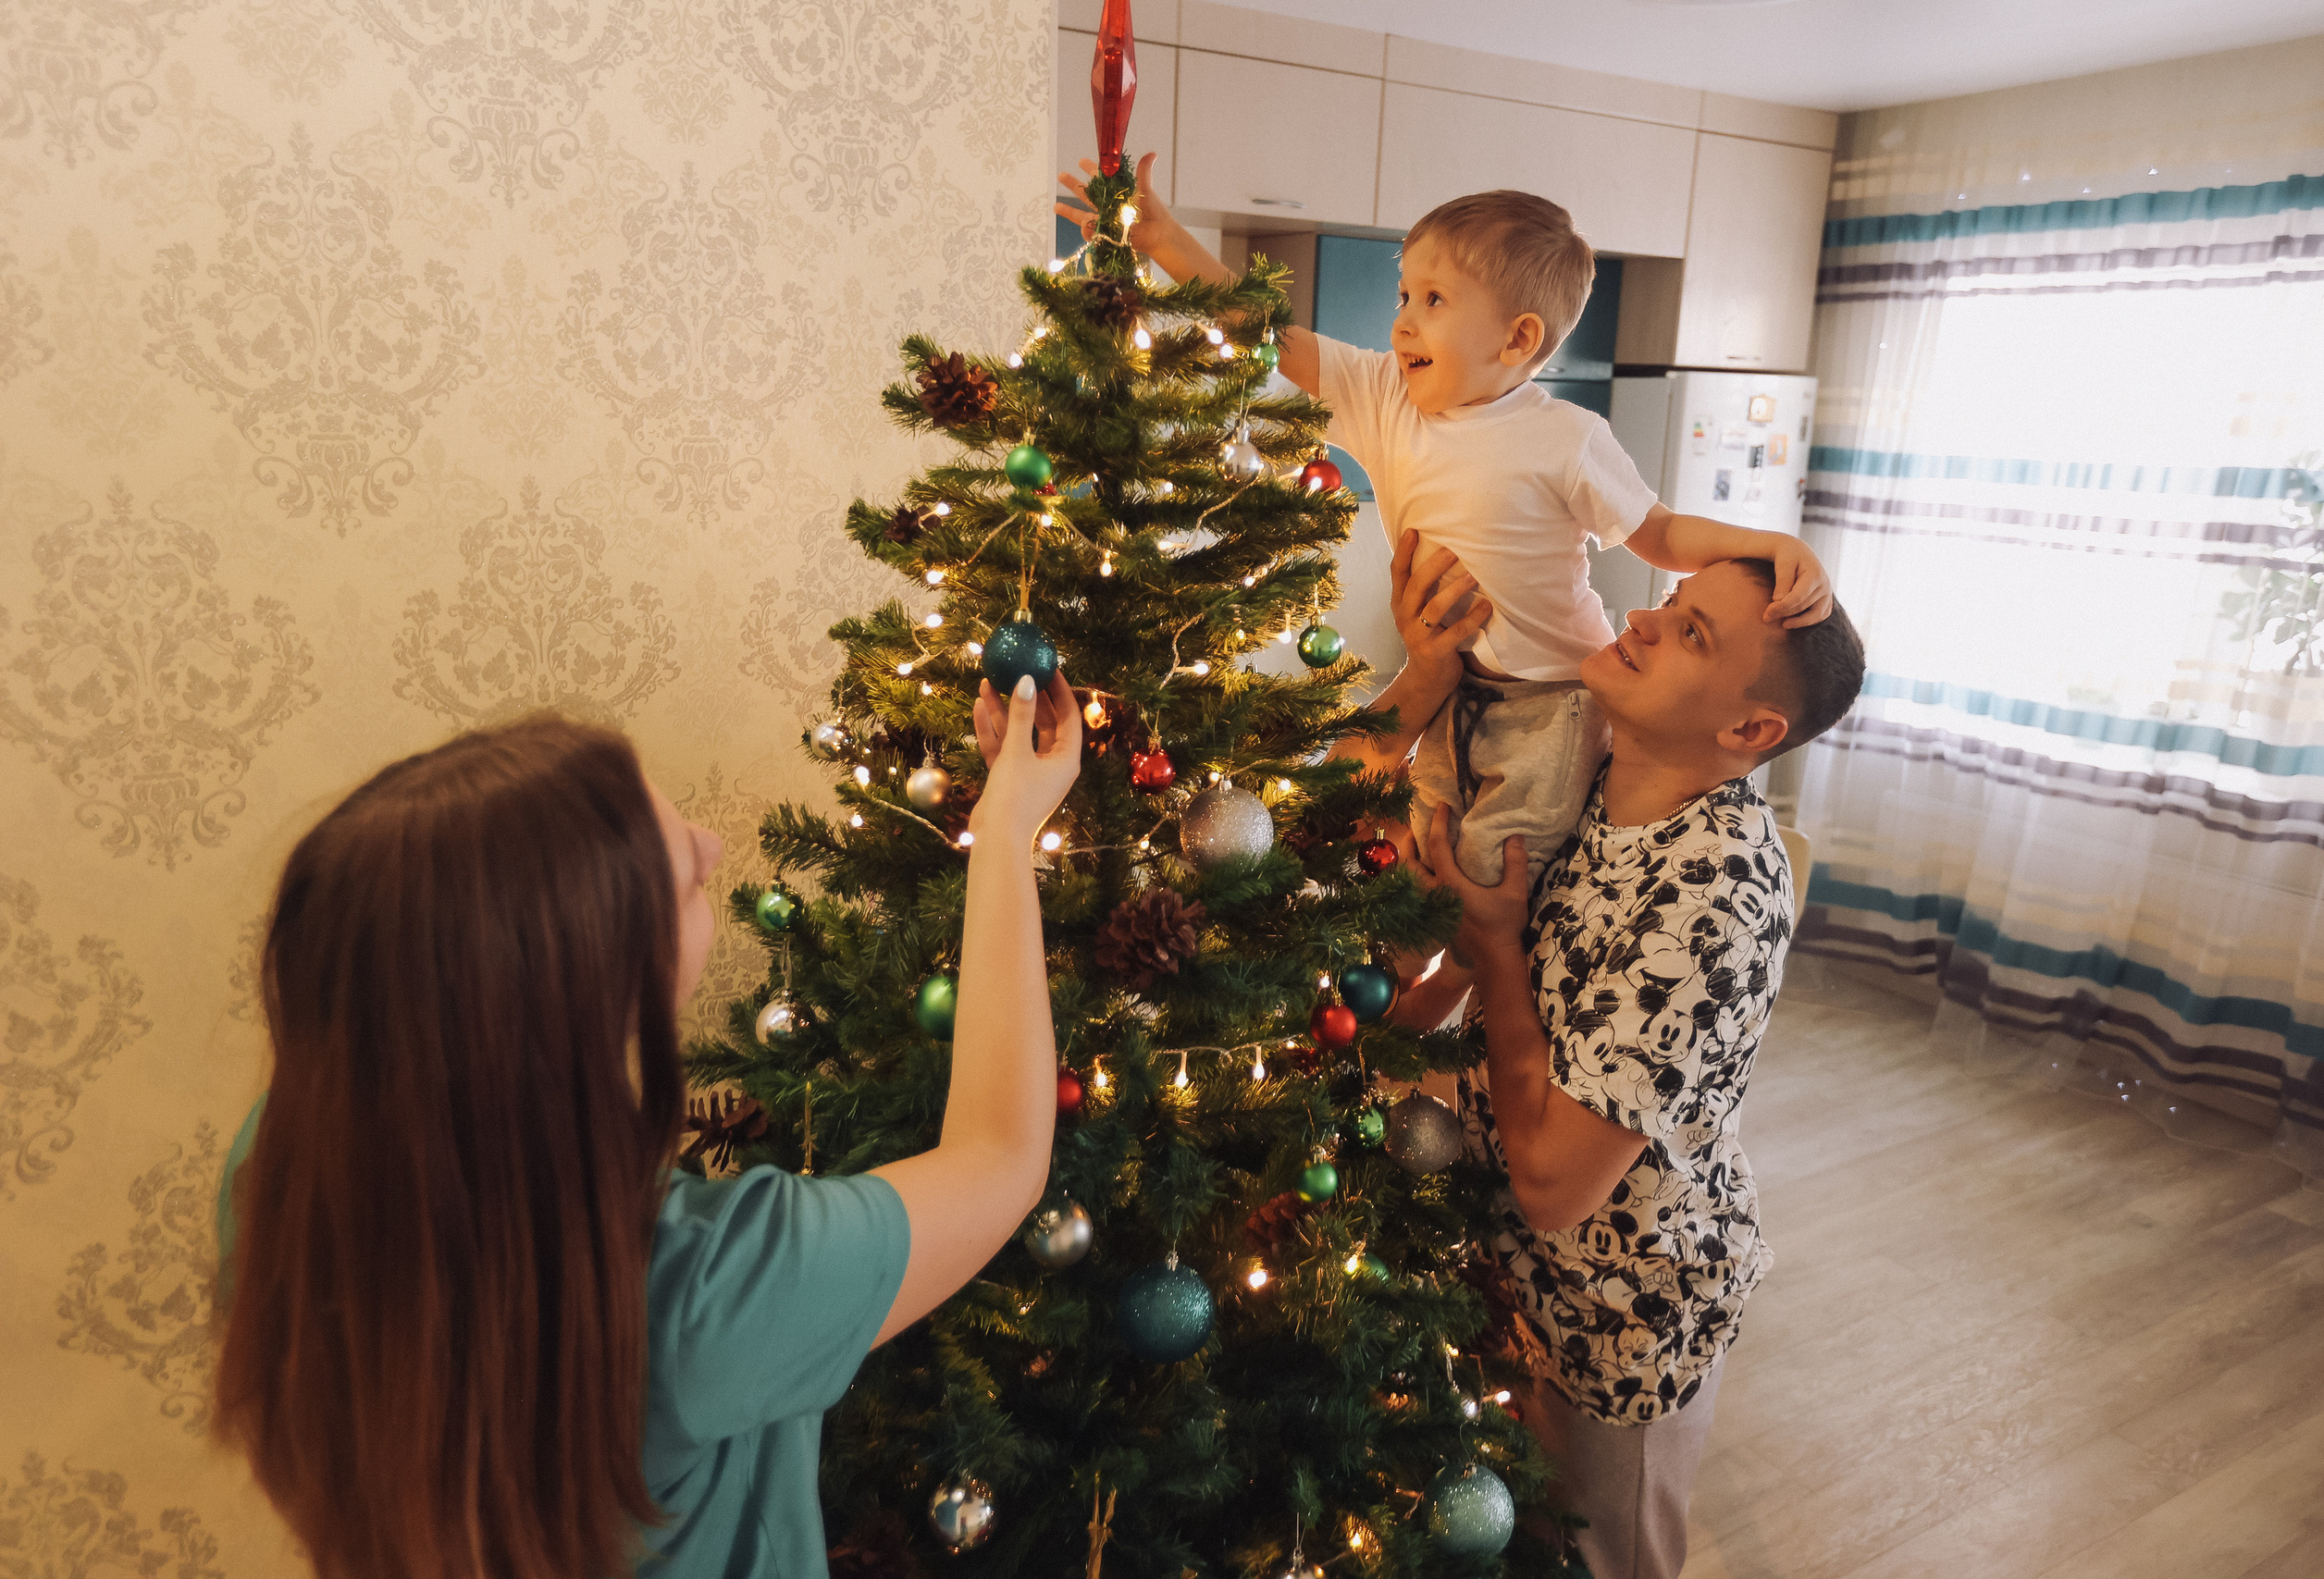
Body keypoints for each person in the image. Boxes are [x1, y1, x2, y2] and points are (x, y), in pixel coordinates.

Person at [213, 673, 1082, 1579]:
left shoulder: (280, 1165)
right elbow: (1000, 1154)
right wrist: (1008, 829)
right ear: (598, 994)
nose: (710, 846)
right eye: (683, 882)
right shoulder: (701, 1291)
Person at [1057, 160, 1835, 894]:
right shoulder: (1384, 397)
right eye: (1403, 297)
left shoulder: (1565, 437)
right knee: (1422, 861)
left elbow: (1658, 536)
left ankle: (1473, 989)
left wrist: (1767, 542)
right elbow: (1272, 335)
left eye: (1434, 301)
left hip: (1553, 697)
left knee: (1490, 873)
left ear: (1518, 339)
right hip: (1457, 688)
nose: (1402, 324)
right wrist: (1161, 240)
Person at [1349, 534, 1865, 1579]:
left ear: (1748, 728)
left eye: (1687, 632)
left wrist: (1489, 945)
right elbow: (1419, 1005)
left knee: (1599, 1556)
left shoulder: (1715, 897)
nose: (1636, 620)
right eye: (1667, 603)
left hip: (1616, 1317)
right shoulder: (1586, 780)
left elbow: (1553, 1186)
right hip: (1507, 1279)